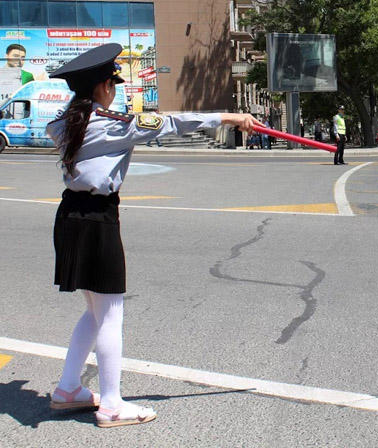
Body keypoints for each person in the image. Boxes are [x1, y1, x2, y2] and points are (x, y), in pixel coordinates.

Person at [44, 43, 257, 428]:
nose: (116, 88)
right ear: (103, 87)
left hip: (70, 216)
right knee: (110, 313)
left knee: (94, 310)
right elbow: (171, 123)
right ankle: (110, 404)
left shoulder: (65, 121)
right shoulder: (110, 125)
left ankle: (68, 389)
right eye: (113, 81)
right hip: (97, 221)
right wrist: (229, 116)